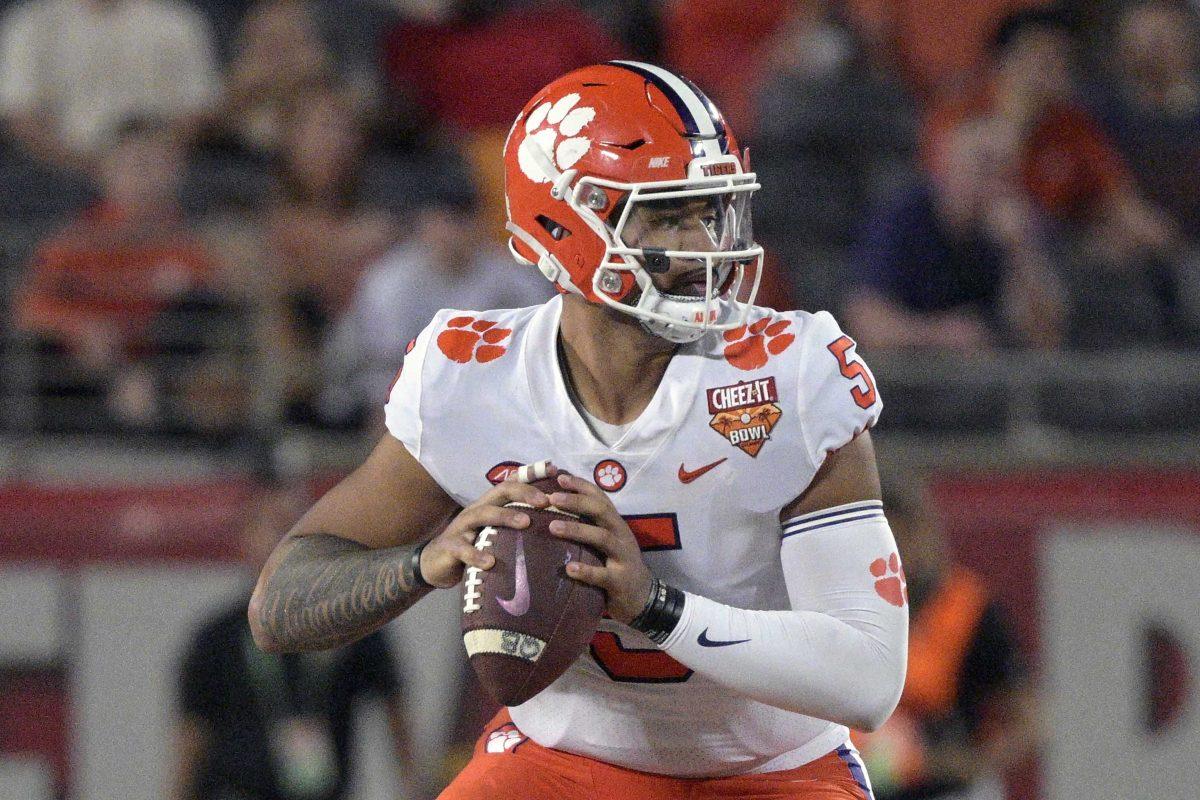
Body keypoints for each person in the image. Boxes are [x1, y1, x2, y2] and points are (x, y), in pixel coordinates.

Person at [249, 61, 908, 799]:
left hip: (775, 771)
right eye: (666, 214)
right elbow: (281, 604)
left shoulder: (791, 372)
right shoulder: (470, 375)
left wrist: (652, 606)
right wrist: (423, 562)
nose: (704, 244)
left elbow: (867, 674)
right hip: (562, 760)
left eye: (711, 209)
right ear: (564, 225)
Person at [174, 478, 422, 800]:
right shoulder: (217, 638)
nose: (281, 542)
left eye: (292, 528)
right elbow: (192, 737)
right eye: (271, 527)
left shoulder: (351, 618)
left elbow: (394, 709)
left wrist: (415, 788)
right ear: (246, 539)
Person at [854, 483, 1038, 800]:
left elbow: (1026, 717)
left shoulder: (968, 607)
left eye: (904, 539)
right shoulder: (850, 609)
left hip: (950, 792)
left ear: (926, 535)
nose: (896, 555)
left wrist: (972, 763)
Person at [846, 118, 1065, 351]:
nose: (993, 184)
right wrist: (940, 335)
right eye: (983, 167)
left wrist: (1020, 252)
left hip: (986, 380)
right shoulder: (903, 219)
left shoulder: (1010, 231)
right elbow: (866, 324)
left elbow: (1047, 338)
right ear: (945, 168)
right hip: (906, 378)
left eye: (1004, 172)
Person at [0, 0, 220, 173]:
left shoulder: (176, 21)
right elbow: (20, 117)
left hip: (158, 170)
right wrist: (92, 166)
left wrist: (142, 164)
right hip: (62, 171)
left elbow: (197, 110)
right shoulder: (29, 23)